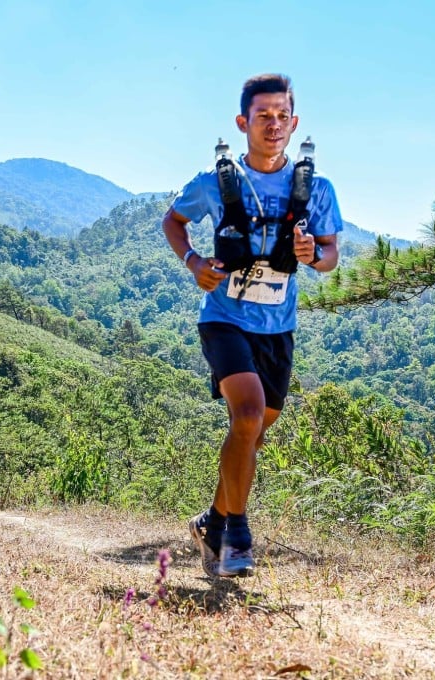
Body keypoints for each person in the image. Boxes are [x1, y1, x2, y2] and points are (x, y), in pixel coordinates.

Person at [161, 73, 342, 577]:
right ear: (243, 123)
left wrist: (313, 254)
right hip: (224, 317)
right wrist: (194, 261)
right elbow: (172, 221)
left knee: (253, 434)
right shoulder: (216, 182)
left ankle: (212, 521)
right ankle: (236, 536)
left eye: (282, 116)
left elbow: (331, 256)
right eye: (263, 115)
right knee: (247, 414)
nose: (273, 124)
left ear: (295, 123)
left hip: (277, 328)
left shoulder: (317, 188)